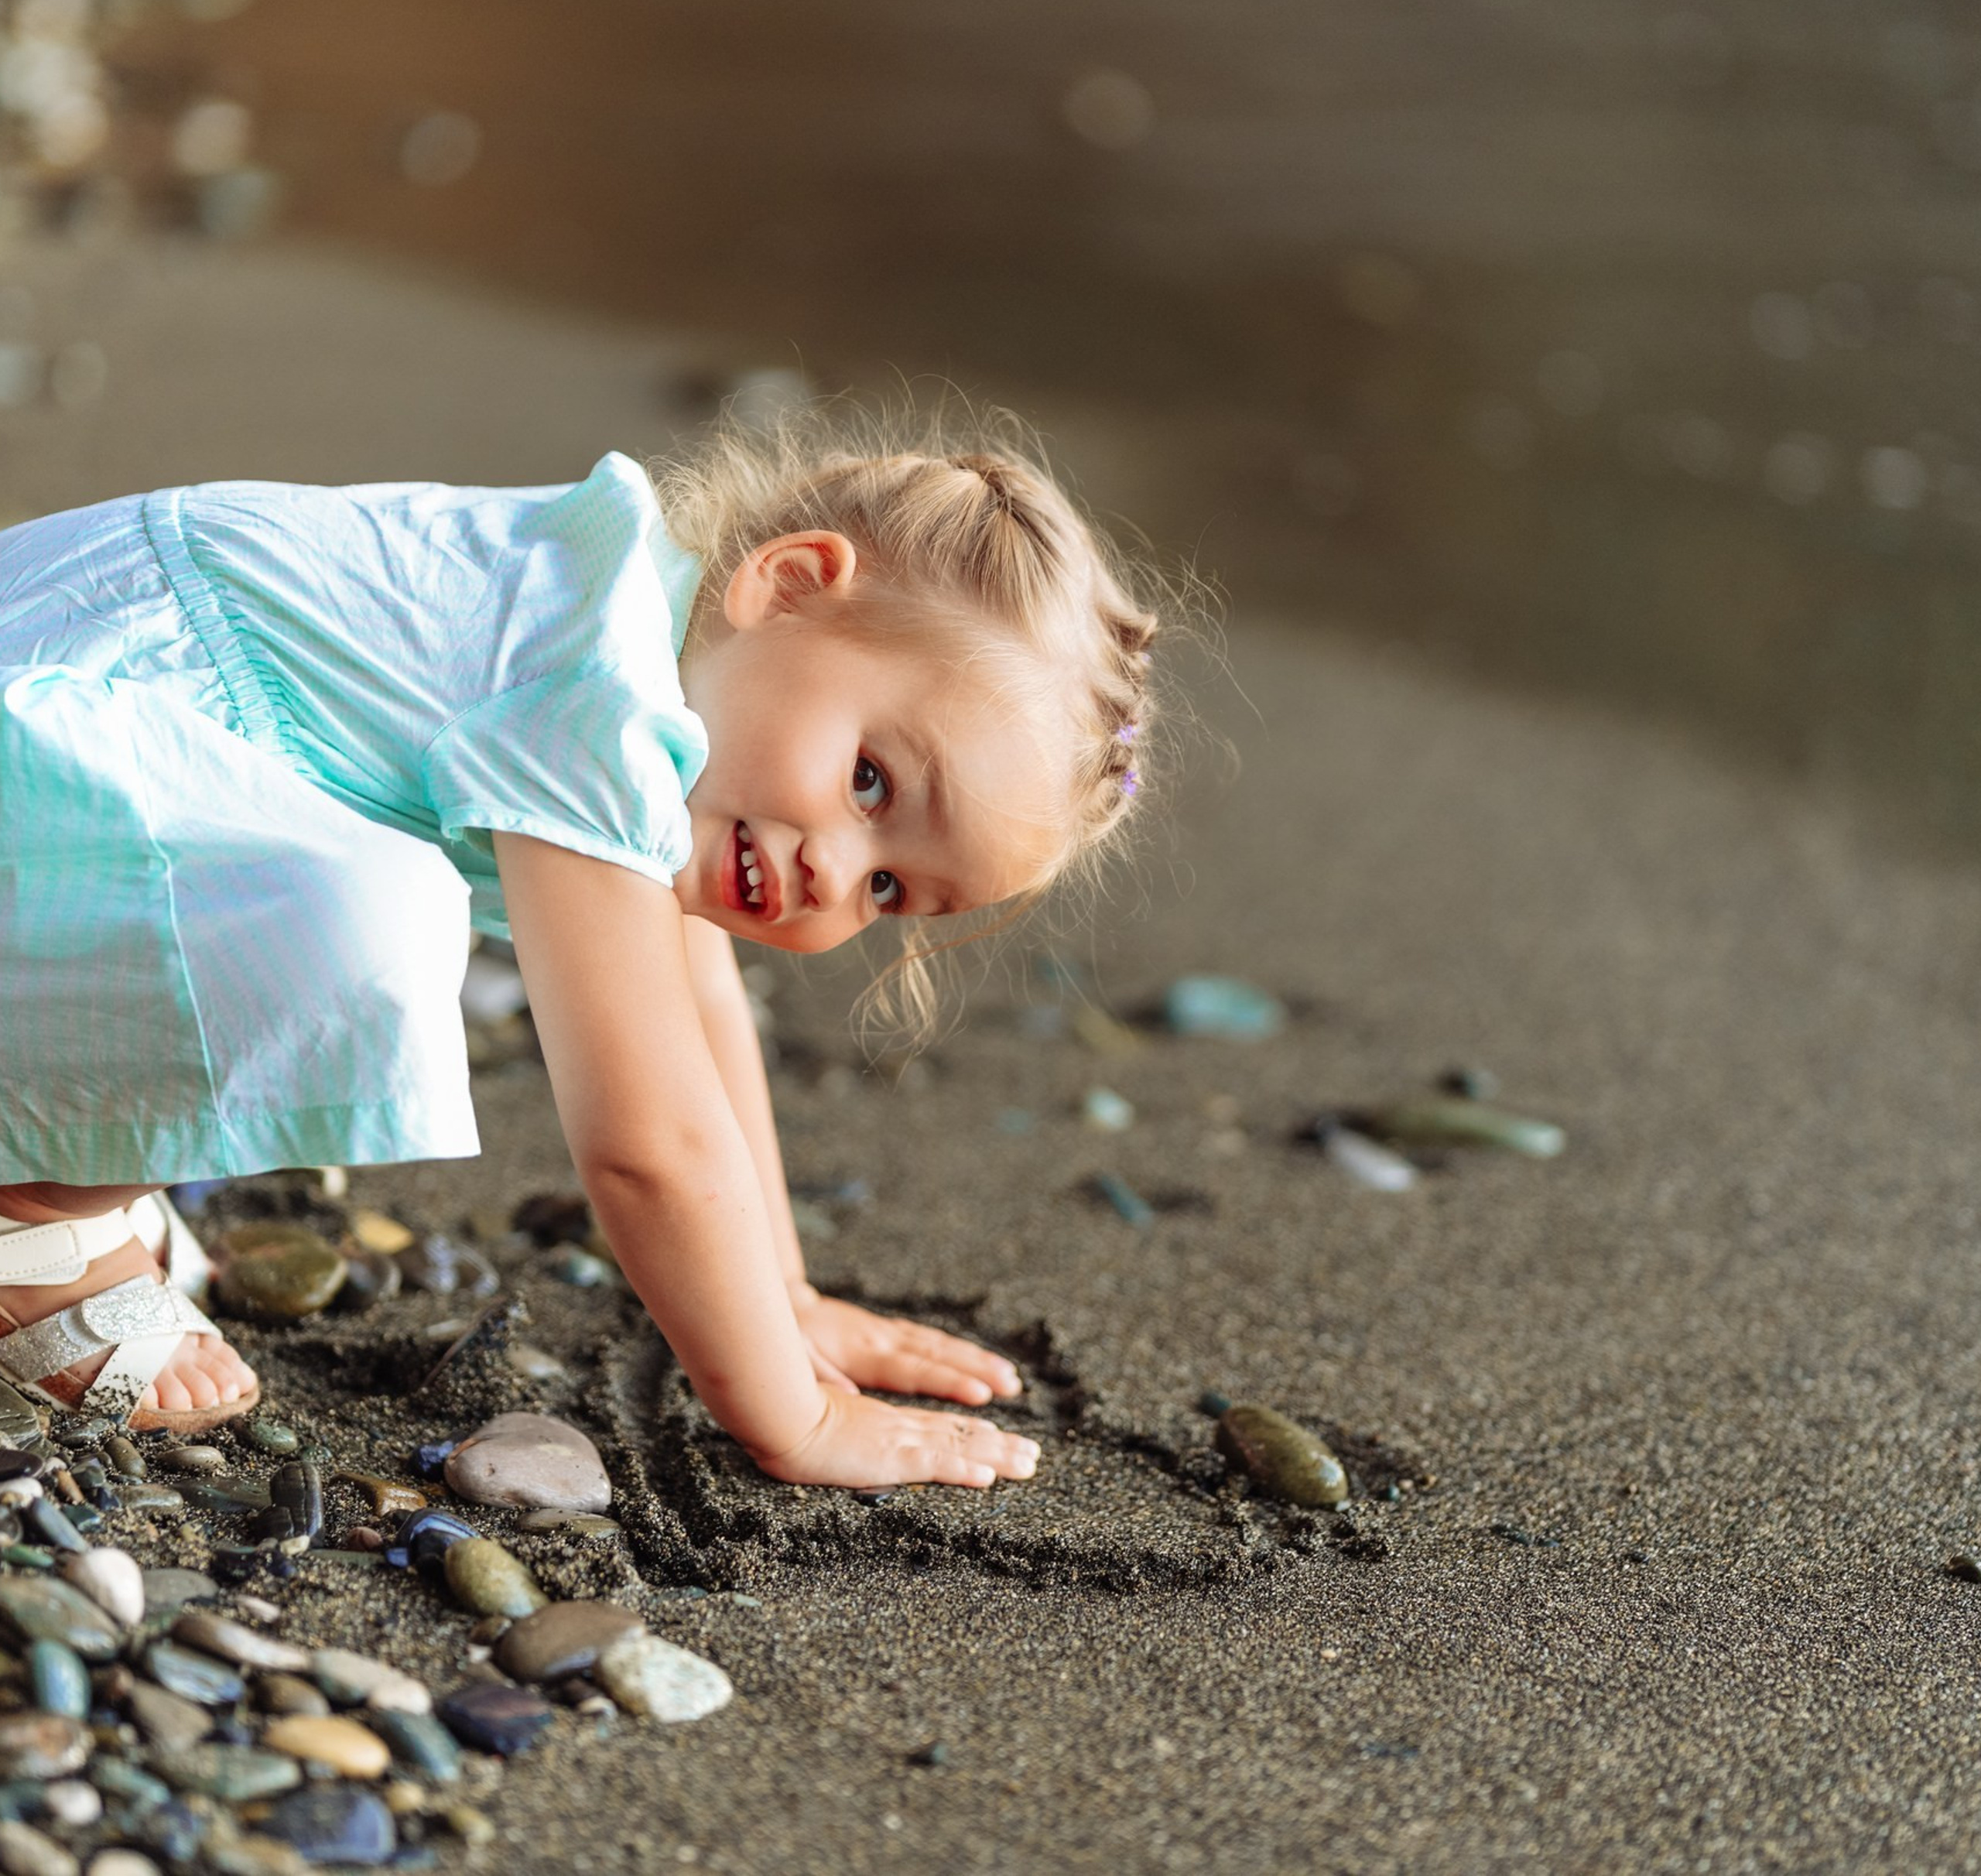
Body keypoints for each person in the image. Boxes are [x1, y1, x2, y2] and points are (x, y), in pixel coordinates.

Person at [0, 406, 1162, 1485]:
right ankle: (31, 1216)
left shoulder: (633, 602)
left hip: (64, 770)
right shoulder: (593, 698)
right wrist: (792, 1416)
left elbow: (696, 1010)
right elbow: (648, 1145)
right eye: (869, 781)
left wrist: (785, 1296)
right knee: (368, 926)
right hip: (44, 750)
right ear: (792, 585)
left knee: (360, 908)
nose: (836, 872)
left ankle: (53, 1137)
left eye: (895, 889)